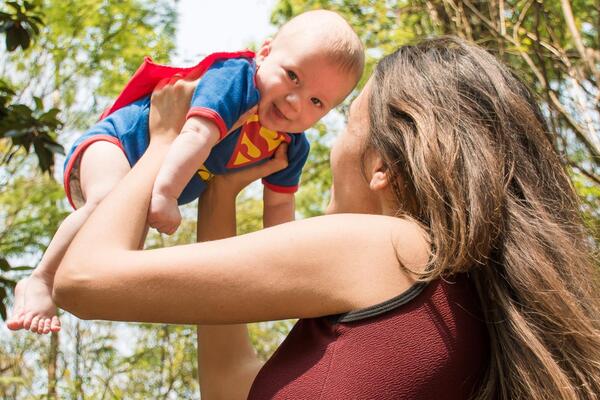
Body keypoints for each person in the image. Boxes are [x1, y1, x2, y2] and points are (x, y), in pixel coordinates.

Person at [52, 36, 600, 399]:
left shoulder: (390, 247)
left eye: (342, 126)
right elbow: (229, 384)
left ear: (382, 165)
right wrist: (220, 187)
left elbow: (84, 280)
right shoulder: (455, 298)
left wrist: (165, 141)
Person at [6, 10, 364, 334]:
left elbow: (280, 212)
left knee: (119, 249)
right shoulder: (236, 80)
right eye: (292, 77)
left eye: (317, 101)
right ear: (265, 53)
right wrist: (166, 194)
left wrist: (290, 271)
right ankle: (40, 278)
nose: (295, 102)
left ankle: (68, 285)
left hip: (149, 179)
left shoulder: (291, 147)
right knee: (105, 200)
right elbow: (196, 134)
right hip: (119, 143)